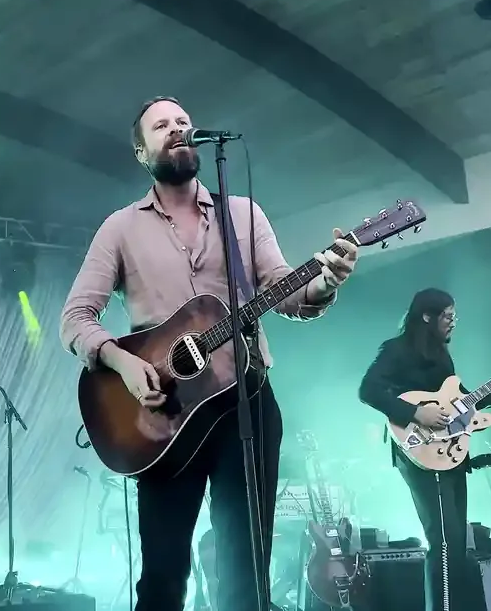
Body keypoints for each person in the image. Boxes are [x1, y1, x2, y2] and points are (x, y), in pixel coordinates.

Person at [60, 96, 360, 611]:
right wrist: (122, 360)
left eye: (182, 122)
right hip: (160, 416)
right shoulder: (120, 228)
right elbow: (75, 319)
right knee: (163, 574)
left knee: (245, 568)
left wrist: (324, 283)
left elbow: (283, 291)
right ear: (141, 152)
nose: (177, 129)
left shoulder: (241, 214)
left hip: (246, 402)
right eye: (161, 126)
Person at [358, 288, 491, 611]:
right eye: (448, 316)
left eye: (454, 316)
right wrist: (415, 412)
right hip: (419, 450)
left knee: (456, 543)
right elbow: (368, 390)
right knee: (444, 542)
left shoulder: (441, 356)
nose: (453, 323)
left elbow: (461, 402)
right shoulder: (397, 350)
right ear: (427, 316)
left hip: (449, 453)